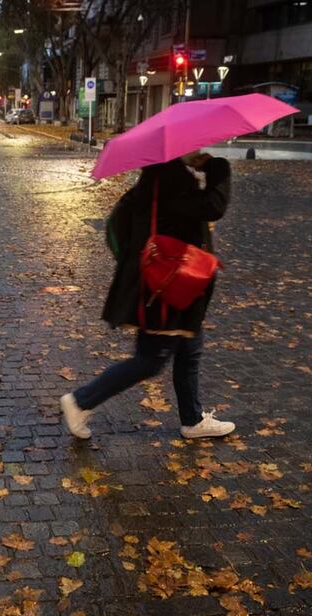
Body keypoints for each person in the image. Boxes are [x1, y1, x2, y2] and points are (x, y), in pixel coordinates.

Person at [60, 151, 236, 440]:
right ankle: (81, 401)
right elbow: (213, 206)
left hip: (173, 286)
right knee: (150, 359)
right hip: (165, 289)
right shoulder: (169, 177)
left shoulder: (157, 174)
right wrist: (218, 167)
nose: (201, 149)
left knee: (190, 349)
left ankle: (192, 420)